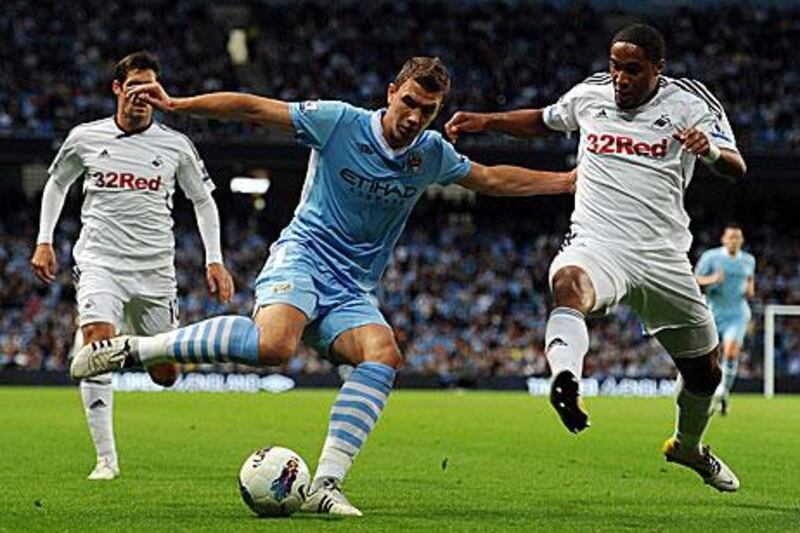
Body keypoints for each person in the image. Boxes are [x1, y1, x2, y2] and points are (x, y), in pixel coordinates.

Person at [69, 56, 575, 515]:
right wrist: (179, 104)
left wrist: (565, 182)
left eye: (430, 109)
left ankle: (325, 484)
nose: (416, 118)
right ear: (391, 91)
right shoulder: (338, 122)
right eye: (410, 103)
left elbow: (489, 178)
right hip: (303, 258)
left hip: (353, 287)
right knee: (274, 346)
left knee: (383, 354)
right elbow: (253, 108)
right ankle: (132, 349)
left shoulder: (431, 153)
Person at [445, 24, 747, 491]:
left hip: (663, 255)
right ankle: (566, 377)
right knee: (568, 283)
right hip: (599, 241)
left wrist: (708, 152)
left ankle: (689, 447)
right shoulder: (591, 94)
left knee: (705, 372)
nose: (621, 78)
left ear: (657, 69)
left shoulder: (691, 102)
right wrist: (486, 121)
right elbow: (543, 120)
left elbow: (736, 167)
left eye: (633, 69)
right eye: (615, 66)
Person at [30, 51, 234, 480]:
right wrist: (44, 240)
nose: (142, 96)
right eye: (134, 87)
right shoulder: (85, 137)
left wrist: (214, 260)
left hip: (156, 271)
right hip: (99, 261)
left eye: (150, 88)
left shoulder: (176, 145)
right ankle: (106, 460)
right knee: (98, 346)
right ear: (117, 89)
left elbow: (202, 199)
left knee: (164, 374)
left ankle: (126, 345)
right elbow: (57, 183)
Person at [695, 224, 755, 415]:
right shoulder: (711, 257)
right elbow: (694, 279)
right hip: (713, 312)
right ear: (723, 239)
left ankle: (722, 390)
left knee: (730, 353)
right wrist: (713, 279)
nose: (734, 241)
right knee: (709, 356)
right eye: (731, 237)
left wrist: (750, 290)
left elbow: (750, 280)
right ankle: (715, 393)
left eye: (737, 238)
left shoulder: (748, 260)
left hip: (737, 313)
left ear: (742, 240)